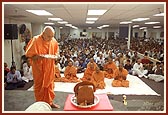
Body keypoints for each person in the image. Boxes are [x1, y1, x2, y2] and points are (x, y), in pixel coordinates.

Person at [25, 26, 60, 108]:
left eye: (52, 36)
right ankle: (40, 105)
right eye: (49, 36)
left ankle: (50, 103)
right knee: (39, 86)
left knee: (50, 86)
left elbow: (56, 52)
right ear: (43, 33)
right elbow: (29, 55)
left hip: (49, 67)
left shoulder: (53, 41)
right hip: (39, 68)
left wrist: (56, 56)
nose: (51, 38)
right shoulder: (36, 40)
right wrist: (38, 57)